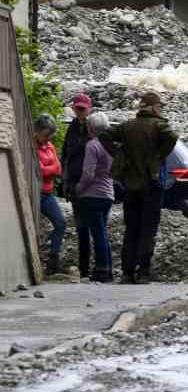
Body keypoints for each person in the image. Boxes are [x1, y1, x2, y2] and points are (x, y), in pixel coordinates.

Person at [107, 92, 177, 284]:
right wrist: (159, 155)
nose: (161, 109)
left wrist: (118, 154)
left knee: (131, 228)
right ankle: (143, 272)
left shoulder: (127, 126)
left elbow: (104, 134)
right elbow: (172, 136)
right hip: (152, 185)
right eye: (160, 107)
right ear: (154, 108)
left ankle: (127, 272)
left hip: (130, 186)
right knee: (148, 229)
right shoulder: (158, 125)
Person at [74, 112, 116, 283]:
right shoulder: (111, 145)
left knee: (97, 232)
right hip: (108, 193)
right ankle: (108, 268)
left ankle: (102, 269)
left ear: (91, 128)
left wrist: (79, 188)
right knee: (102, 231)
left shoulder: (93, 145)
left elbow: (88, 173)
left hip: (93, 194)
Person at [61, 93, 94, 274]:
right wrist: (66, 182)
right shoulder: (72, 128)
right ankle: (84, 267)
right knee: (81, 226)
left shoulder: (94, 129)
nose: (80, 112)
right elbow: (66, 155)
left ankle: (99, 267)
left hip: (91, 184)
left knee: (94, 226)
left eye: (82, 109)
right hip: (75, 183)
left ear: (89, 109)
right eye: (77, 108)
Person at [33, 115, 66, 275]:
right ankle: (37, 257)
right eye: (45, 135)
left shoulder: (50, 146)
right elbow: (40, 170)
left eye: (49, 136)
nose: (47, 139)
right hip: (34, 192)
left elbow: (58, 168)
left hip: (47, 192)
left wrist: (48, 169)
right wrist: (50, 168)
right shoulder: (31, 146)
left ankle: (53, 258)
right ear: (37, 131)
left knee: (60, 223)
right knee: (33, 227)